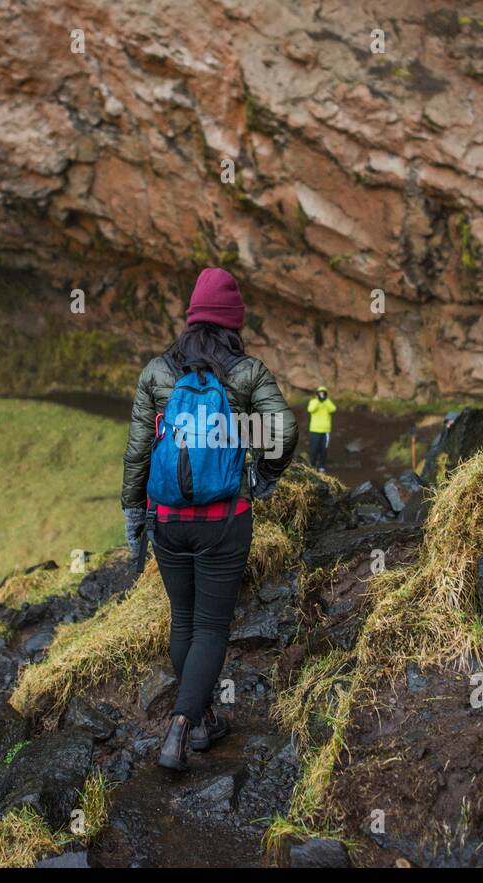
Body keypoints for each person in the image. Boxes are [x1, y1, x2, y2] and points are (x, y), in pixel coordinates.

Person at [121, 267, 297, 772]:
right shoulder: (246, 374)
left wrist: (135, 515)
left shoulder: (158, 373)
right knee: (212, 627)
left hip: (168, 521)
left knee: (184, 620)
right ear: (232, 323)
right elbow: (282, 430)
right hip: (225, 518)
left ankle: (201, 721)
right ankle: (181, 725)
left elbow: (137, 451)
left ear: (191, 319)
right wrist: (264, 474)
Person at [306, 387, 336, 472]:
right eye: (320, 393)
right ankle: (312, 465)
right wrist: (319, 401)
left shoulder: (328, 402)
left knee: (324, 449)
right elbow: (310, 409)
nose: (321, 394)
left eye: (323, 393)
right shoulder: (313, 401)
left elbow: (333, 409)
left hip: (325, 431)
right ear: (317, 393)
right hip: (314, 430)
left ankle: (322, 466)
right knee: (314, 449)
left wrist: (325, 400)